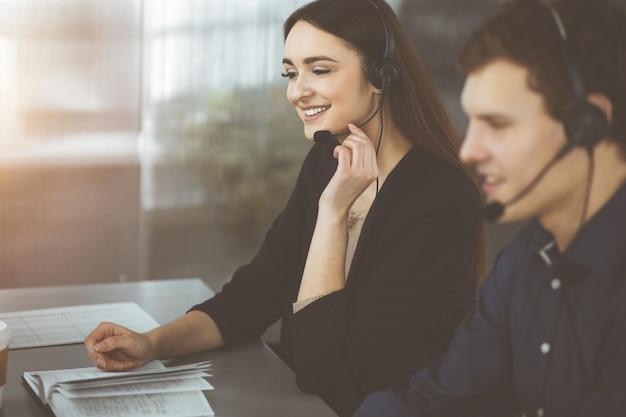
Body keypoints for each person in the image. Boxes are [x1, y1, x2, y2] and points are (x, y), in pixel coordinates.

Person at [84, 0, 485, 415]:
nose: (296, 91)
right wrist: (153, 343)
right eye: (291, 73)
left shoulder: (440, 199)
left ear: (381, 76)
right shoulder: (325, 160)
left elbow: (321, 365)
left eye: (320, 69)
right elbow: (260, 290)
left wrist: (332, 213)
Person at [353, 0, 626, 416]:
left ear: (588, 123)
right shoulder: (524, 263)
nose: (470, 150)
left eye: (497, 124)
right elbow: (438, 400)